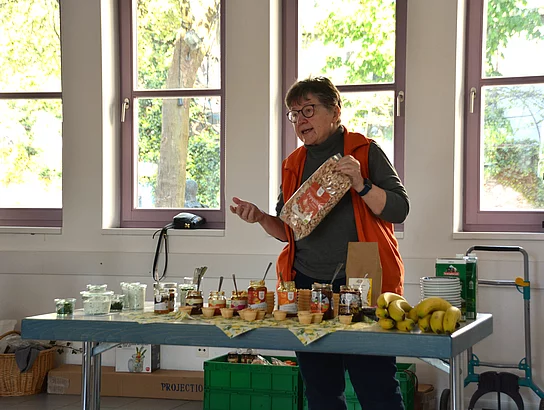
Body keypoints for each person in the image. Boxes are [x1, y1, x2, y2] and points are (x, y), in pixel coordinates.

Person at [230, 76, 410, 410]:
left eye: (308, 110)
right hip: (306, 285)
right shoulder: (293, 164)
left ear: (335, 111)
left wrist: (361, 183)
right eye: (294, 114)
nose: (300, 120)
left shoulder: (365, 151)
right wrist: (260, 218)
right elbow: (289, 230)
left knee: (377, 387)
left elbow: (400, 209)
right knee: (321, 390)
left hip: (361, 285)